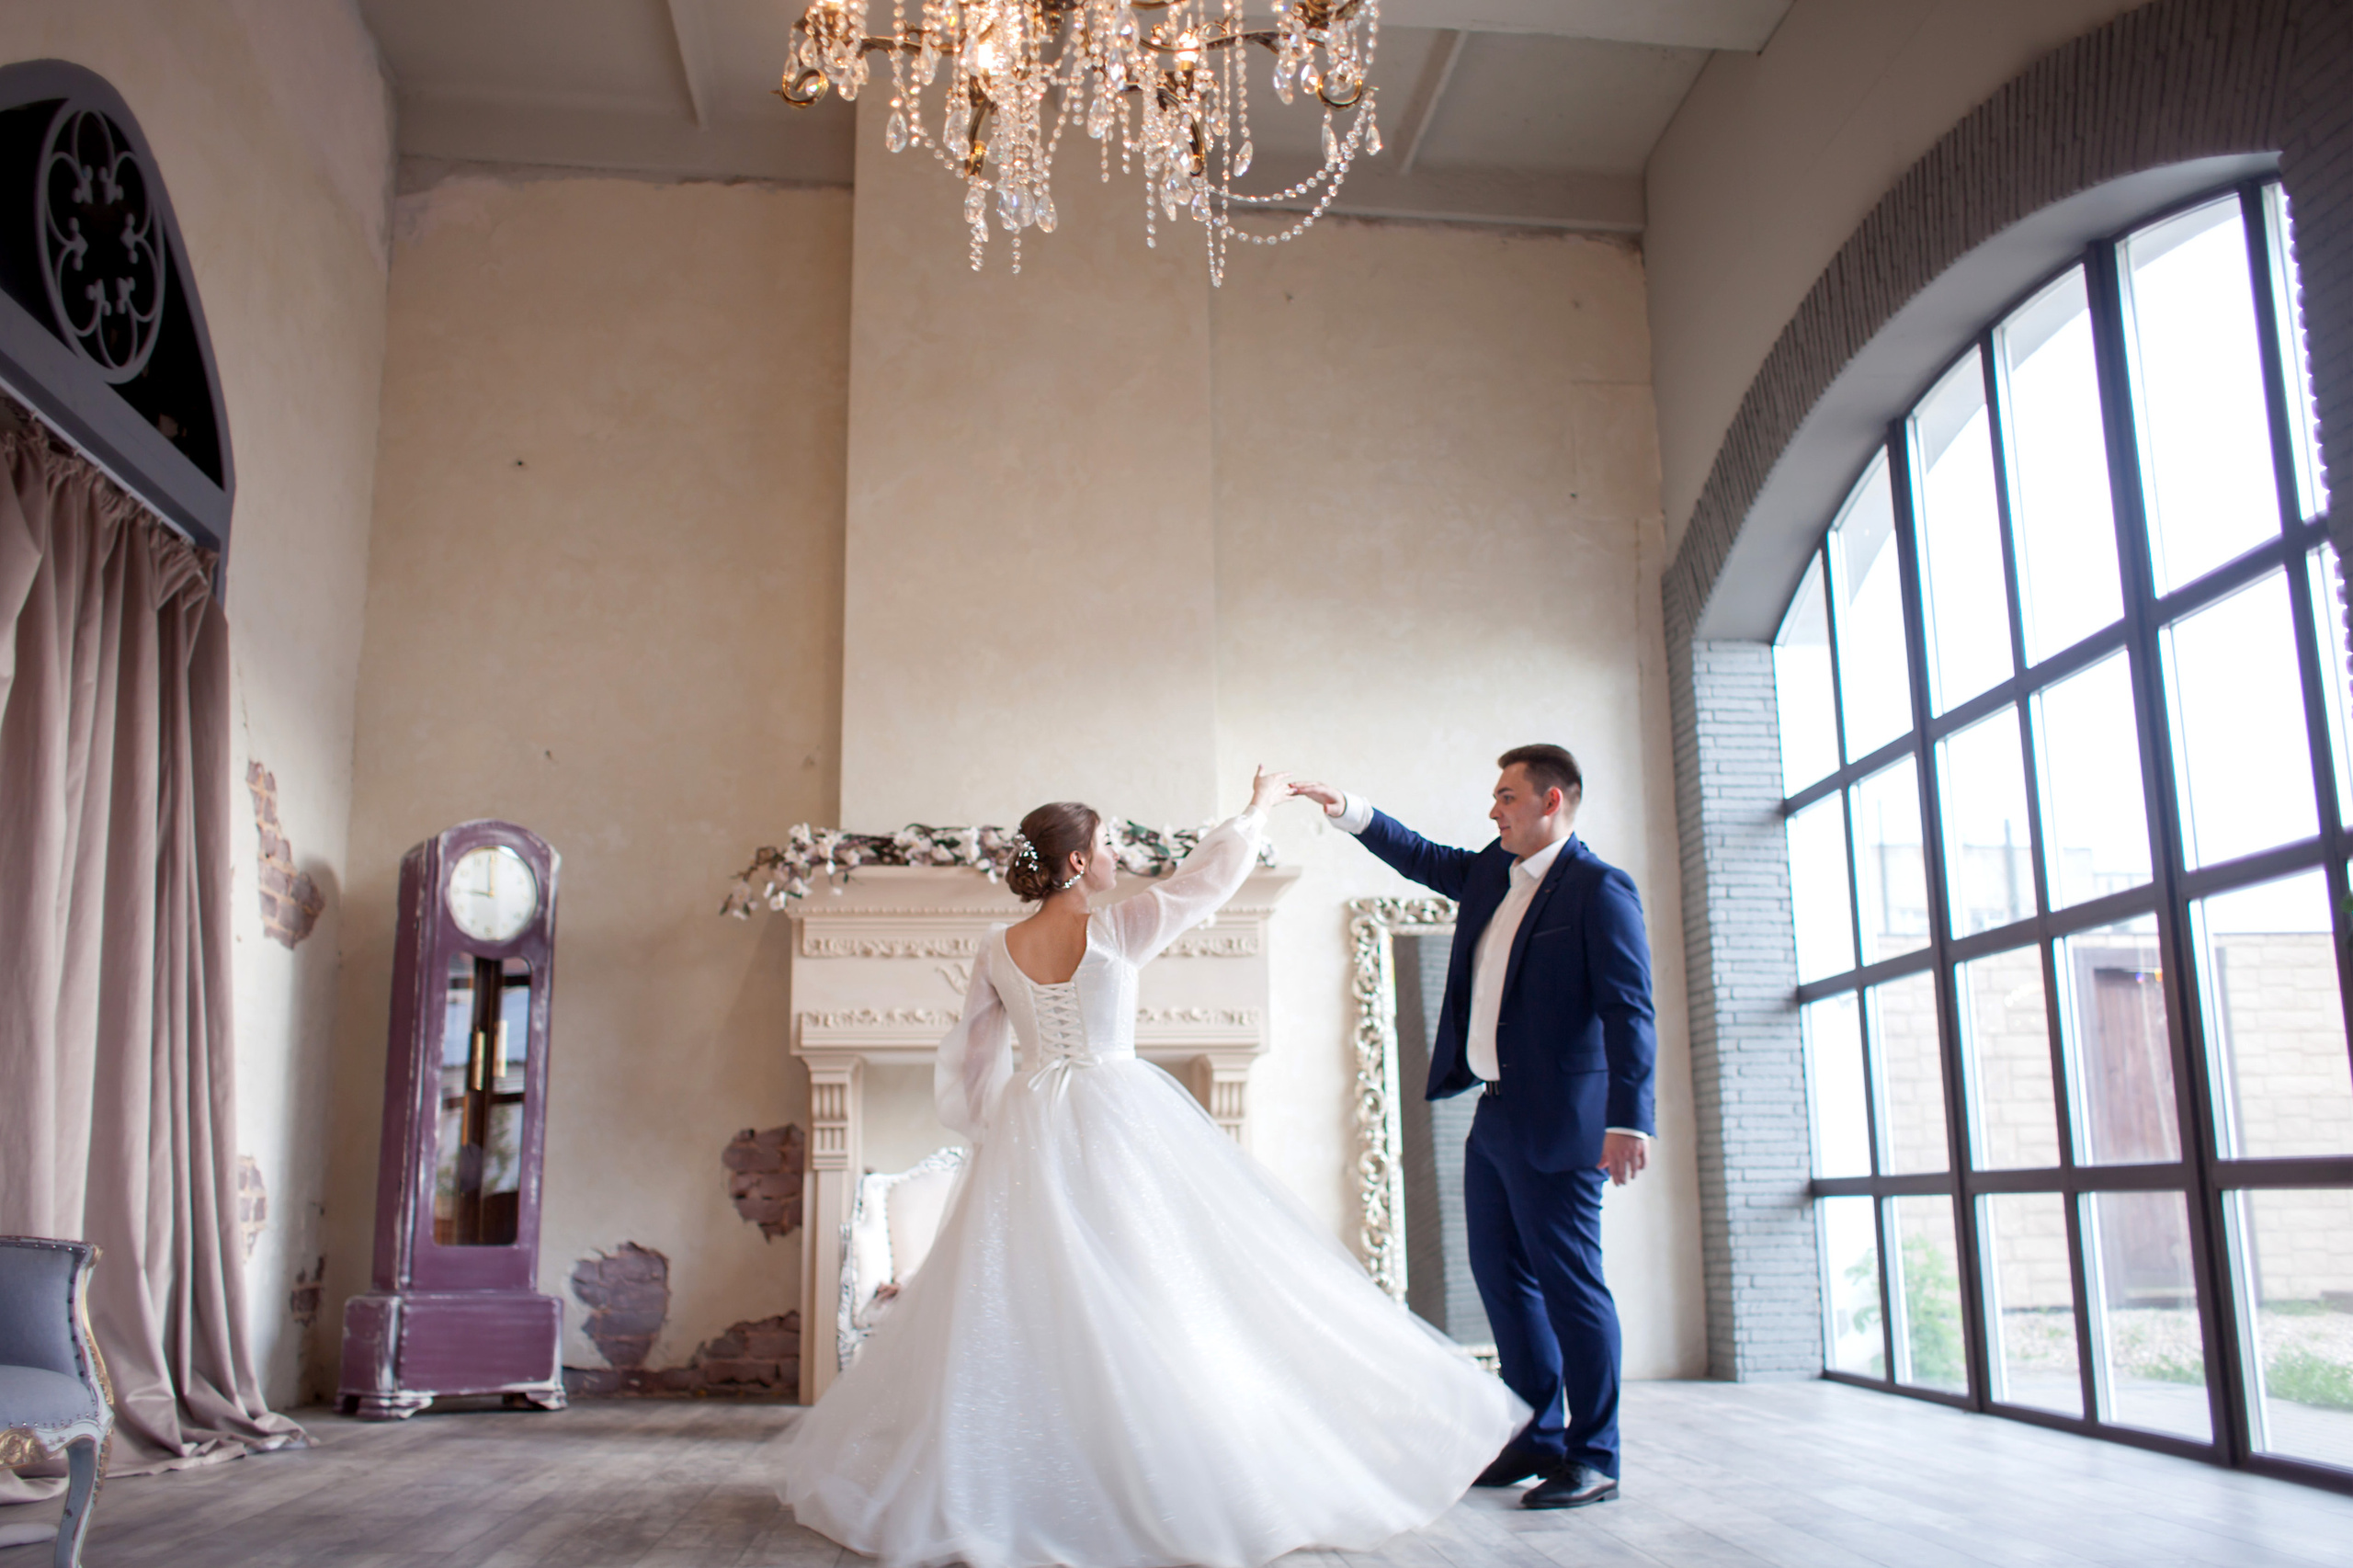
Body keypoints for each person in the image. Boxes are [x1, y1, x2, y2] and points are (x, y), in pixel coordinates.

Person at [778, 766, 1526, 1568]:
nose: (1114, 855)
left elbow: (969, 1061)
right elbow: (1207, 882)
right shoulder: (1119, 928)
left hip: (1035, 1116)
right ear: (1073, 863)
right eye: (1103, 845)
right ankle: (1157, 1466)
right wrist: (1256, 809)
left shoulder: (998, 947)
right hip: (1118, 1106)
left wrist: (997, 1127)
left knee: (1036, 1298)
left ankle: (1043, 1470)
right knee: (1159, 1282)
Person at [1292, 744, 1656, 1510]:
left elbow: (1631, 1013)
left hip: (1565, 1125)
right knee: (1502, 1280)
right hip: (1491, 1113)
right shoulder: (1492, 871)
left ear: (1551, 801)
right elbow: (1421, 856)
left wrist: (1630, 1120)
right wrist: (1347, 809)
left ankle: (1596, 1455)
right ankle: (1534, 1435)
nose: (1495, 810)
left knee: (1572, 1289)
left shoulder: (1599, 890)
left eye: (1507, 797)